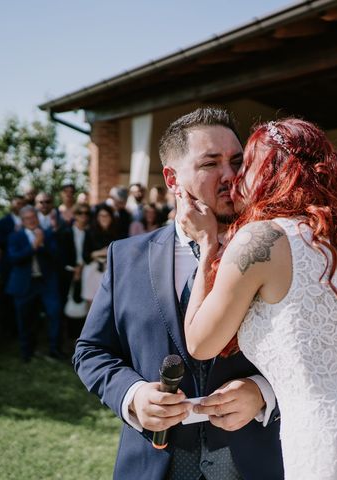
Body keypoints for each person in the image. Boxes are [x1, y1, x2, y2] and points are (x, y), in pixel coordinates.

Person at [181, 118, 337, 479]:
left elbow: (200, 343)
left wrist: (206, 244)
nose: (236, 177)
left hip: (326, 447)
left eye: (246, 164)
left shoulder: (262, 240)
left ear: (270, 172)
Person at [73, 107, 283, 480]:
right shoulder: (126, 257)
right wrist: (132, 395)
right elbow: (91, 351)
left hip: (253, 462)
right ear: (172, 178)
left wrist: (262, 392)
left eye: (237, 161)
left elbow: (311, 353)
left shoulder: (277, 253)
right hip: (152, 465)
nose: (230, 176)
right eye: (210, 164)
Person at [5, 205, 63, 362]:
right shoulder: (14, 237)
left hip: (46, 282)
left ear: (37, 218)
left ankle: (54, 350)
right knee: (25, 319)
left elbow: (57, 256)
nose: (31, 221)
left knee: (54, 313)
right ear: (22, 221)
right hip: (24, 284)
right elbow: (13, 258)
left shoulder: (48, 234)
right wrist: (33, 246)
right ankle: (26, 353)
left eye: (34, 217)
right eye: (27, 218)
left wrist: (42, 244)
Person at [56, 203, 91, 344]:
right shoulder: (65, 232)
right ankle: (67, 339)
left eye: (86, 213)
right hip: (68, 272)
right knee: (67, 304)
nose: (83, 216)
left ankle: (82, 340)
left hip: (86, 271)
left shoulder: (90, 233)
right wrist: (73, 269)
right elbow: (61, 256)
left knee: (83, 305)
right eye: (80, 213)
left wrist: (82, 268)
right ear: (75, 215)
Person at [81, 204, 119, 303]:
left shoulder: (117, 233)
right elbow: (85, 256)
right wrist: (100, 252)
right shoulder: (89, 232)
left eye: (106, 215)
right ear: (97, 217)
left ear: (111, 217)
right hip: (93, 271)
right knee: (91, 305)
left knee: (110, 303)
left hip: (111, 272)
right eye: (101, 215)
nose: (104, 218)